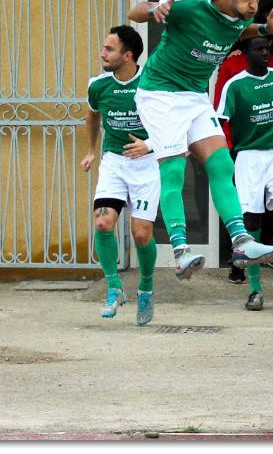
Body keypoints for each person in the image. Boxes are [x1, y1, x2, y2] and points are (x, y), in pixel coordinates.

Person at [127, 0, 273, 280]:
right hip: (159, 94)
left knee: (221, 165)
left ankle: (242, 242)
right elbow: (134, 12)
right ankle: (181, 251)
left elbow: (237, 31)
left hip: (193, 95)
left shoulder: (244, 16)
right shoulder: (192, 5)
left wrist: (265, 28)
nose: (253, 5)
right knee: (174, 168)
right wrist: (155, 8)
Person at [216, 34, 273, 309]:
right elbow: (220, 122)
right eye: (259, 49)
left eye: (268, 48)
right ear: (245, 53)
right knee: (251, 219)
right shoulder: (235, 85)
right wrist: (224, 157)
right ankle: (255, 289)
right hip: (248, 157)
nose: (265, 53)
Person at [79, 26, 159, 326]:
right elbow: (92, 114)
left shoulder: (151, 84)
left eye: (109, 49)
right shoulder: (98, 85)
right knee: (103, 222)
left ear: (128, 56)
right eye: (104, 47)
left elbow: (172, 121)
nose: (102, 53)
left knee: (141, 233)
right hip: (114, 161)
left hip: (146, 163)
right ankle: (114, 288)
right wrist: (91, 150)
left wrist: (149, 145)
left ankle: (147, 288)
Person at [212, 19, 273, 285]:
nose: (265, 52)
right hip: (242, 149)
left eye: (268, 46)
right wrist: (225, 149)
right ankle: (239, 263)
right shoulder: (231, 69)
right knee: (247, 211)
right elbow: (221, 112)